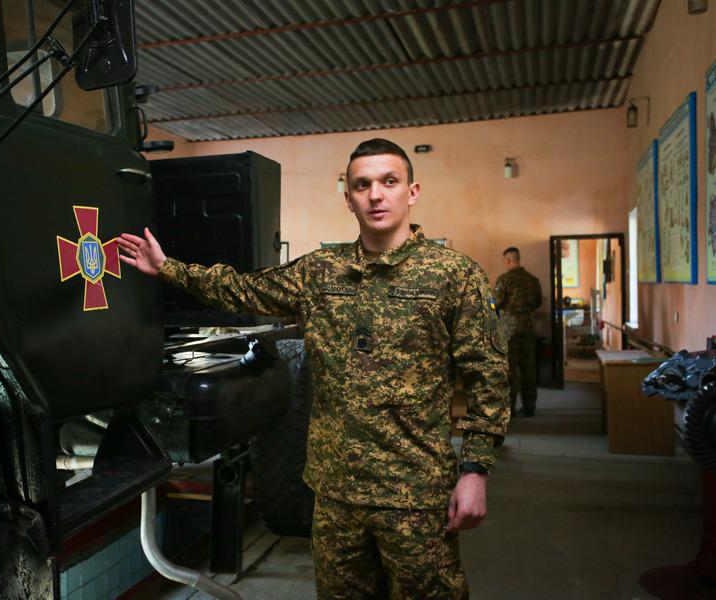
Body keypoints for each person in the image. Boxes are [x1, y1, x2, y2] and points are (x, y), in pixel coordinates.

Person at [118, 138, 509, 600]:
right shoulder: (320, 272)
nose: (376, 195)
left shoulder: (453, 275)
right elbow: (243, 289)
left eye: (389, 182)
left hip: (413, 494)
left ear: (413, 191)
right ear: (348, 198)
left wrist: (475, 471)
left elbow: (488, 375)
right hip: (335, 494)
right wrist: (168, 268)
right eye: (362, 185)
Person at [494, 247, 543, 417]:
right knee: (529, 369)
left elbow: (496, 303)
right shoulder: (533, 280)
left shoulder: (504, 280)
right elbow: (538, 302)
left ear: (507, 260)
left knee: (510, 371)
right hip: (527, 329)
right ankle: (530, 407)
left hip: (509, 332)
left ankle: (511, 408)